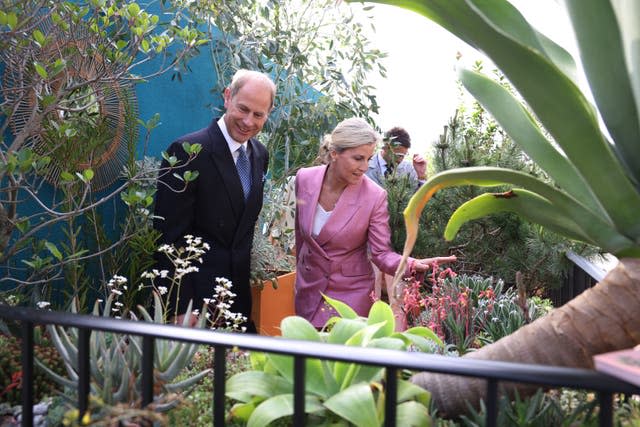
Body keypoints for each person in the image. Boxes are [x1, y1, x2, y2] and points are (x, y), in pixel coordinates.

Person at [294, 118, 455, 328]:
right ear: (335, 153)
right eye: (358, 158)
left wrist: (412, 264)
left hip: (350, 295)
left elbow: (381, 254)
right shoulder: (304, 179)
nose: (364, 167)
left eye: (368, 159)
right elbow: (301, 237)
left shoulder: (374, 196)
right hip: (308, 291)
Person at [153, 69, 276, 331]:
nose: (248, 121)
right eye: (243, 109)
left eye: (258, 115)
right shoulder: (188, 152)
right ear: (227, 97)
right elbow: (168, 236)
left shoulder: (259, 155)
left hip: (235, 300)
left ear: (269, 113)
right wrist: (179, 307)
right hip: (192, 304)